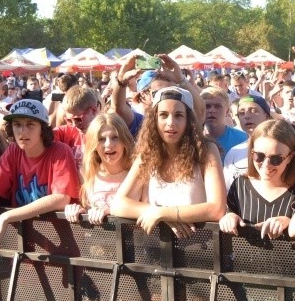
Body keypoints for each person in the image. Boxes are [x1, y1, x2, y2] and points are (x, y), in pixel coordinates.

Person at [0, 99, 80, 254]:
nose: (23, 131)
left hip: (61, 245)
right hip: (25, 243)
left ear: (43, 128)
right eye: (17, 125)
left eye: (30, 124)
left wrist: (6, 216)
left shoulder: (60, 151)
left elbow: (61, 198)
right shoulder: (13, 151)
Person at [112, 87, 226, 237]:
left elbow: (217, 209)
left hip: (201, 249)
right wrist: (159, 213)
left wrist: (165, 213)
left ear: (189, 120)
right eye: (163, 115)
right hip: (158, 249)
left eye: (178, 115)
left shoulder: (207, 150)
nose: (170, 122)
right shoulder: (147, 153)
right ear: (154, 119)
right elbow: (118, 204)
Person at [219, 120, 295, 239]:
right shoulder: (240, 185)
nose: (266, 164)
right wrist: (229, 217)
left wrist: (291, 222)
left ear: (290, 157)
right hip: (246, 257)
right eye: (259, 156)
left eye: (276, 159)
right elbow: (228, 213)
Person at [64, 113, 135, 225]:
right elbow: (87, 210)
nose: (108, 144)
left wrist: (111, 212)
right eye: (101, 139)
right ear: (94, 144)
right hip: (98, 241)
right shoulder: (85, 173)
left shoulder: (139, 173)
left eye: (115, 137)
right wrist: (78, 212)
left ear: (124, 140)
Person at [200, 87, 248, 161]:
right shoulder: (193, 139)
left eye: (218, 106)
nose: (212, 110)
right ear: (200, 110)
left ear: (227, 111)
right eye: (207, 106)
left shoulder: (243, 139)